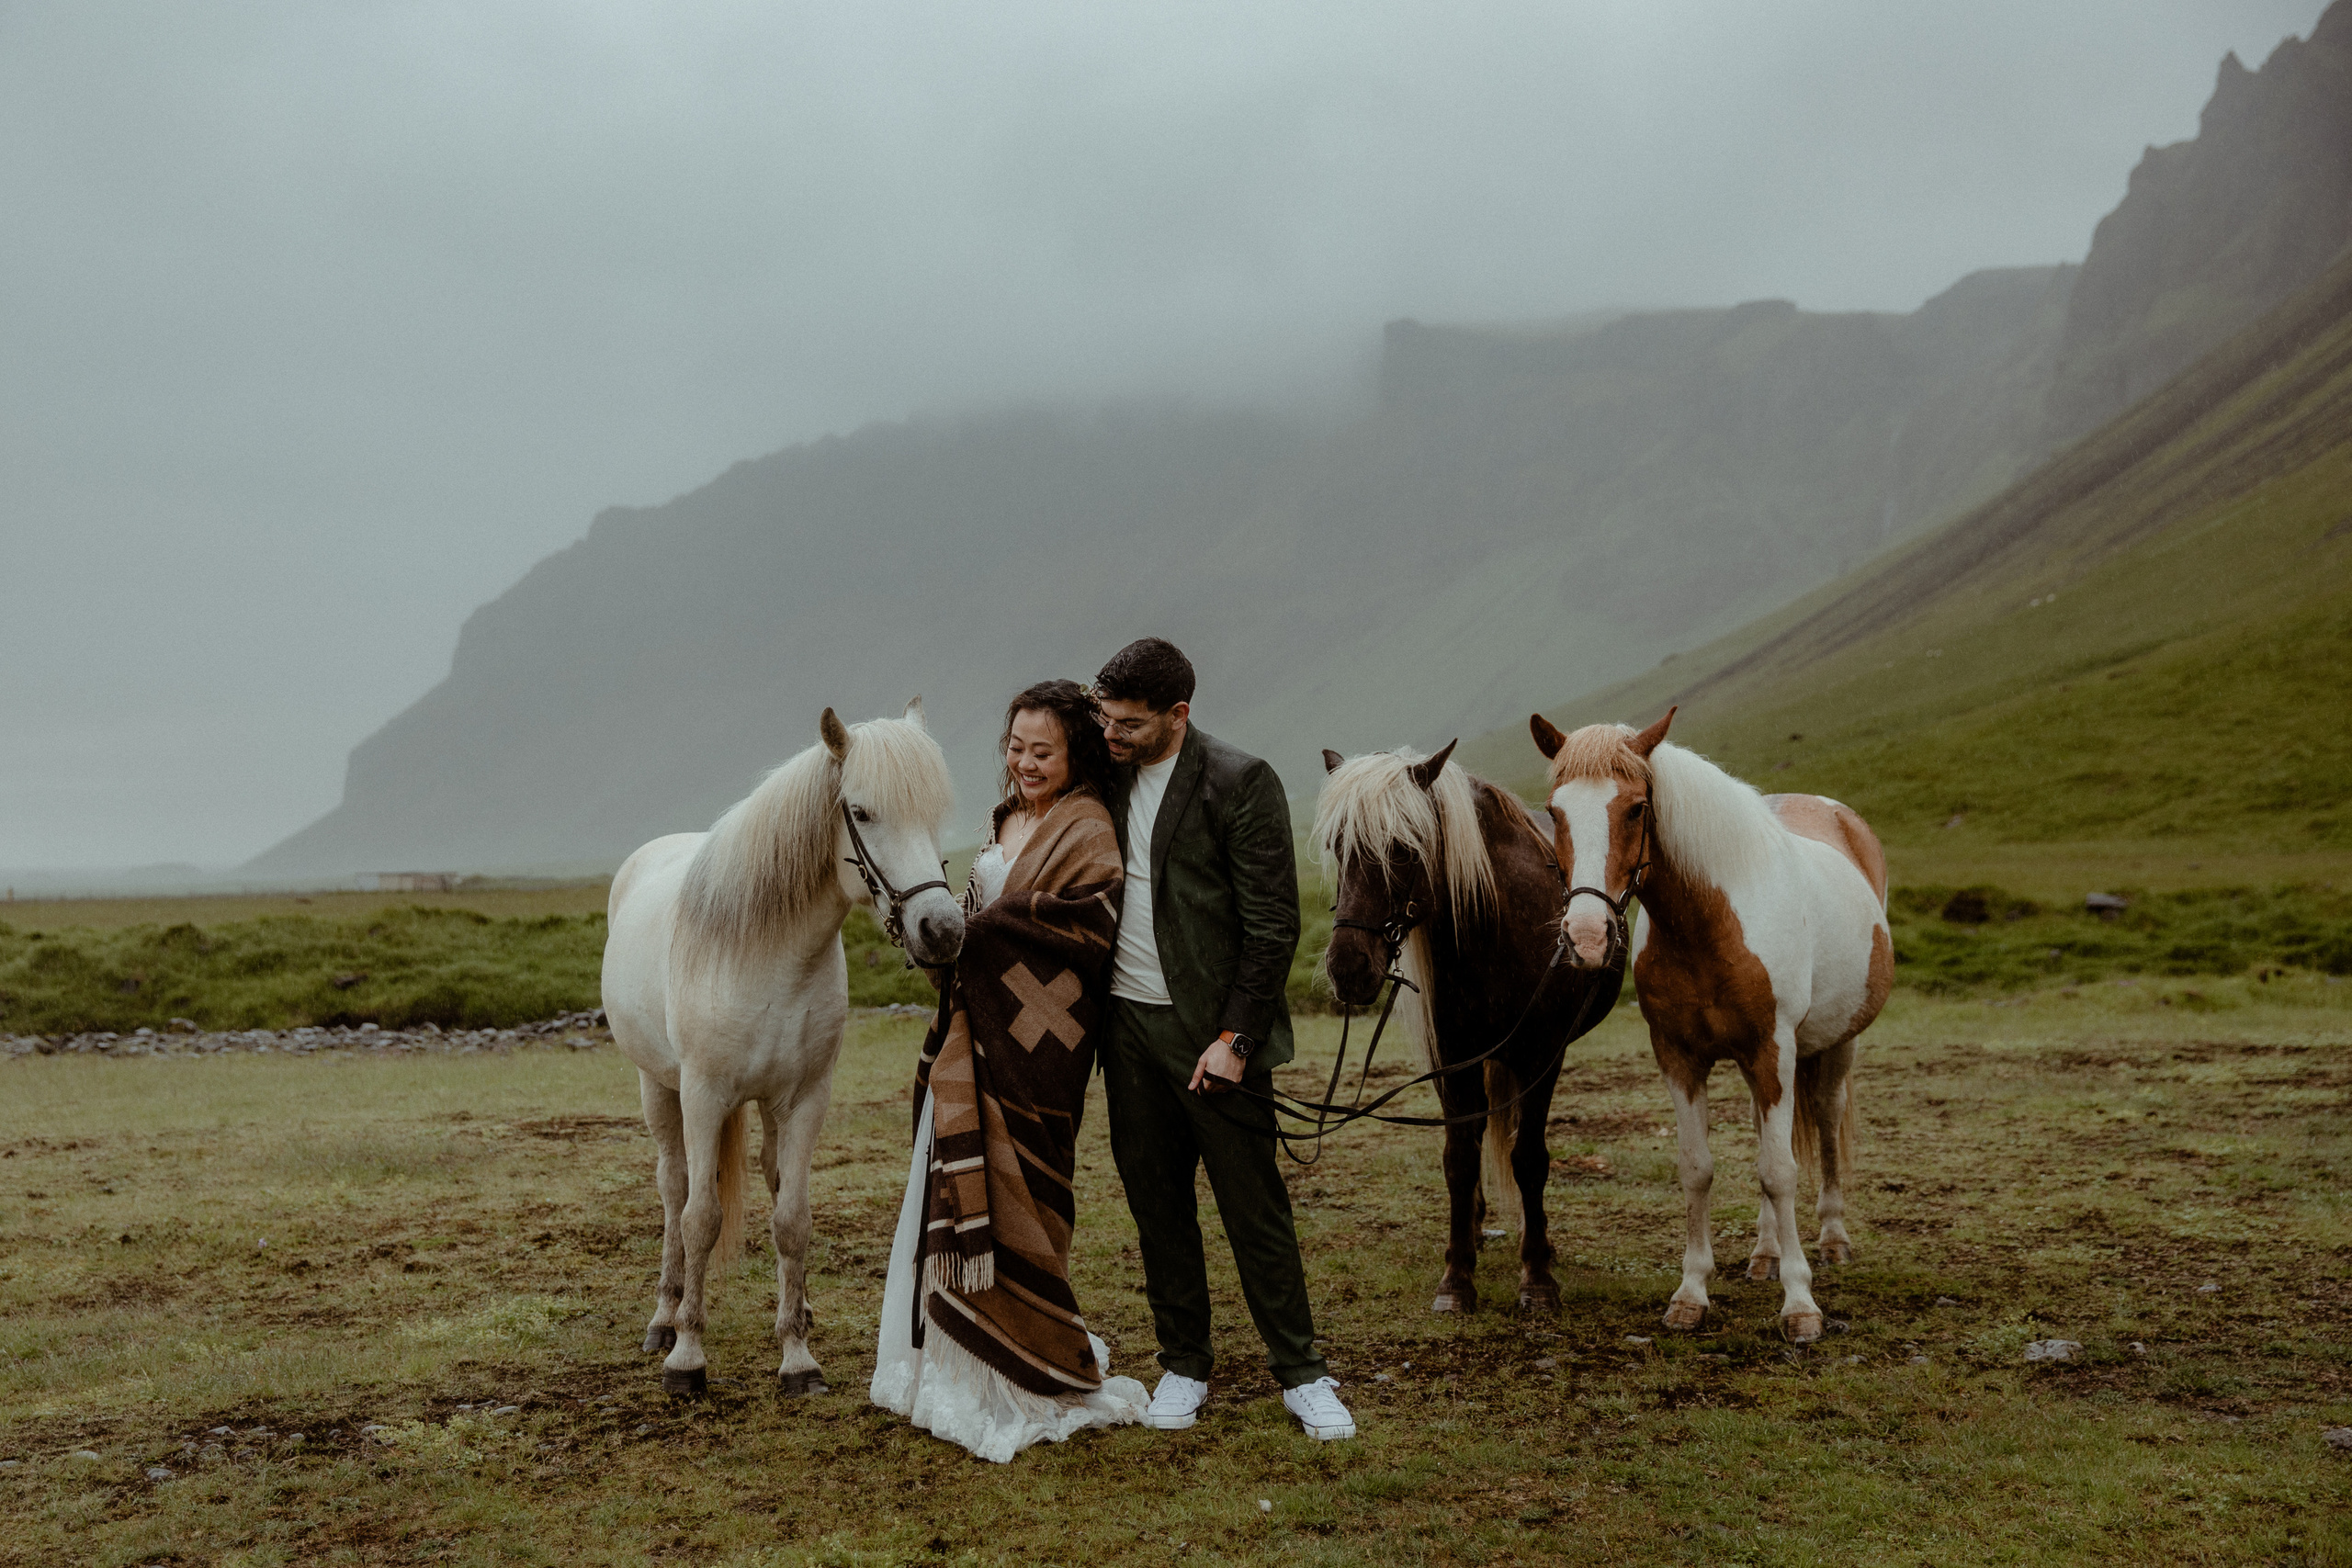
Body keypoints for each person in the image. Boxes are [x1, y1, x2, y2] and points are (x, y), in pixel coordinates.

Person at [870, 679, 1149, 1461]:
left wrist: (981, 930)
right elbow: (972, 916)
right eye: (1015, 748)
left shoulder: (1088, 825)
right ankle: (956, 1365)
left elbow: (1086, 927)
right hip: (972, 1041)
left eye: (1043, 750)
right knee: (953, 1192)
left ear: (1075, 754)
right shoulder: (1004, 822)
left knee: (1024, 1191)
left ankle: (1027, 1360)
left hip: (1040, 1052)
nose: (1025, 763)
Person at [1091, 637, 1356, 1441]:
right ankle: (1184, 1363)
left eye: (1131, 724)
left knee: (1254, 1208)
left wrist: (1236, 1038)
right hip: (1125, 1031)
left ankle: (1304, 1374)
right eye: (1106, 717)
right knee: (1156, 1205)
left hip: (1212, 1038)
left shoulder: (1239, 780)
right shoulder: (1101, 769)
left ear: (1178, 715)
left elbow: (1274, 926)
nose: (1113, 734)